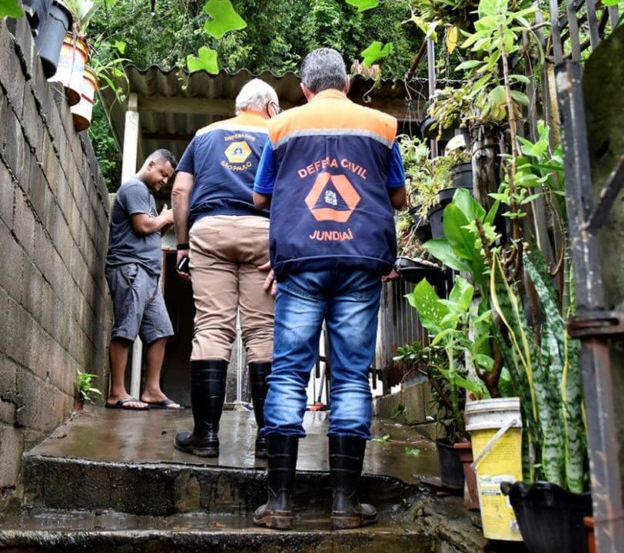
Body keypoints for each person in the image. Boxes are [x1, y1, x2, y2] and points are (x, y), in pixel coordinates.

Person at [250, 48, 406, 530]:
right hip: (361, 260)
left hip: (301, 260)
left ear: (304, 89)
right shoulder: (382, 126)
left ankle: (279, 504)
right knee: (351, 377)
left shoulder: (281, 127)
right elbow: (399, 196)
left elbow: (259, 196)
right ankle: (345, 506)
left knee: (287, 374)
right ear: (348, 84)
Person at [171, 79, 281, 458]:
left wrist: (182, 244)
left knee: (211, 328)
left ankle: (206, 437)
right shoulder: (277, 133)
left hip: (210, 230)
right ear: (270, 107)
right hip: (264, 233)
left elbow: (180, 191)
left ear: (239, 106)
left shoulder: (204, 135)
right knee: (262, 331)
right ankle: (269, 438)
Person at [104, 149, 183, 411]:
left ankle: (152, 391)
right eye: (163, 174)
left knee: (161, 331)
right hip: (130, 268)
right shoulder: (134, 188)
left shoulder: (146, 195)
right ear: (150, 164)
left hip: (148, 273)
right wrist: (164, 217)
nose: (165, 181)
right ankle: (117, 392)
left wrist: (164, 222)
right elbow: (143, 226)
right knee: (126, 329)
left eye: (168, 177)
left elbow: (151, 233)